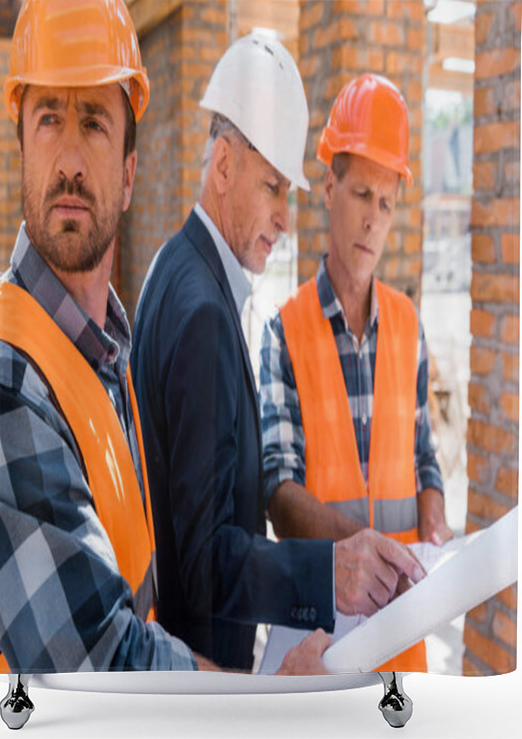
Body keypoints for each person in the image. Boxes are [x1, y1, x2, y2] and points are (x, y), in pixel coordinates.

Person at [0, 0, 325, 677]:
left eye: (95, 123)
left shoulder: (106, 350)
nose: (70, 160)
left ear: (130, 174)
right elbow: (104, 664)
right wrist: (266, 704)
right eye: (49, 118)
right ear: (20, 145)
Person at [131, 33, 425, 673]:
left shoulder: (175, 271)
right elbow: (207, 563)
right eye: (272, 187)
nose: (284, 217)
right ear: (224, 166)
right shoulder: (203, 310)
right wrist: (330, 571)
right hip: (201, 664)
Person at [259, 73, 454, 672]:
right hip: (320, 637)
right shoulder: (283, 332)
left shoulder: (408, 325)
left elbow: (423, 454)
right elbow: (279, 493)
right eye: (362, 194)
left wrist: (435, 517)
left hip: (404, 633)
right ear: (328, 188)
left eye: (387, 203)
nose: (374, 219)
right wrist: (363, 550)